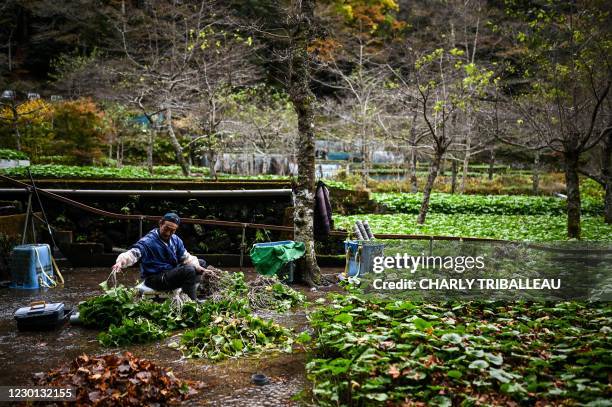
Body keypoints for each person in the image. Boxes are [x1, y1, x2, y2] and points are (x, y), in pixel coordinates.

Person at [111, 212, 206, 300]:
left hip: (170, 273)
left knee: (201, 263)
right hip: (156, 278)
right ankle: (191, 302)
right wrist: (121, 262)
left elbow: (185, 257)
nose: (168, 233)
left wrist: (199, 267)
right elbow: (134, 252)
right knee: (189, 270)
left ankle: (193, 290)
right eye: (166, 229)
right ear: (160, 224)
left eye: (172, 231)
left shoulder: (175, 240)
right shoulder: (148, 241)